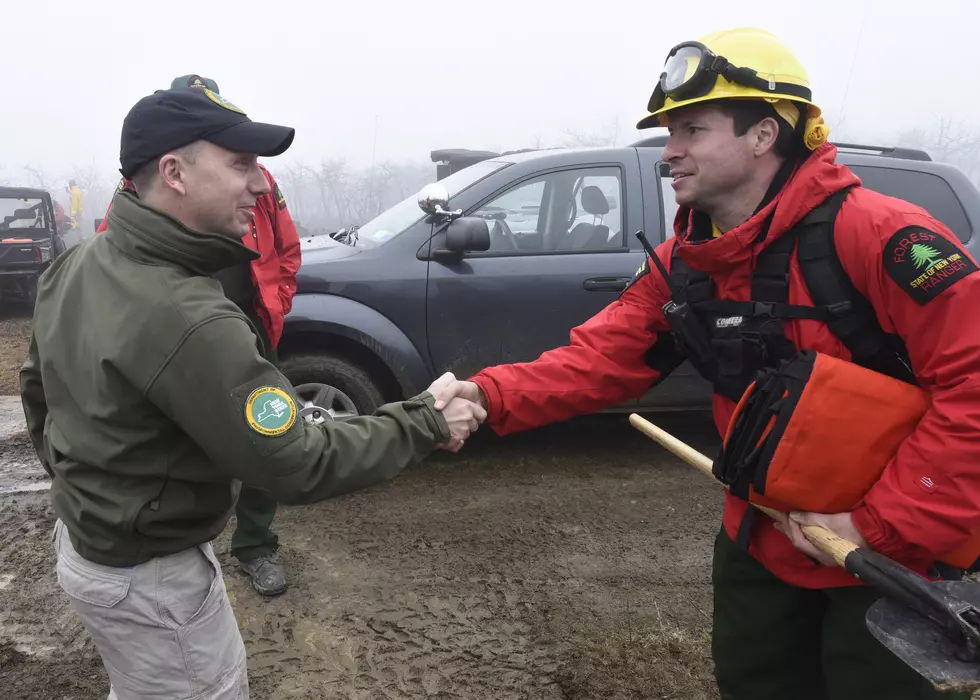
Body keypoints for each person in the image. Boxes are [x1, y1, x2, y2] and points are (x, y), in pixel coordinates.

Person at [433, 27, 980, 700]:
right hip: (758, 544)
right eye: (669, 133)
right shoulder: (684, 267)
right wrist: (485, 395)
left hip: (887, 560)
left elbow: (974, 385)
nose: (670, 152)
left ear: (764, 134)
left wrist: (879, 524)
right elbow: (596, 361)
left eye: (692, 129)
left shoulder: (880, 235)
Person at [20, 85, 484, 699]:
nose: (262, 185)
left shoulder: (79, 263)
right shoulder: (188, 317)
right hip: (150, 575)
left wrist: (92, 487)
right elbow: (294, 461)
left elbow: (37, 392)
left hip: (88, 547)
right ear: (174, 173)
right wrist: (422, 422)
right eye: (240, 164)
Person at [96, 73, 302, 597]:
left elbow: (286, 249)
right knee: (181, 444)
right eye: (235, 161)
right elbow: (111, 269)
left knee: (268, 430)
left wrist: (273, 307)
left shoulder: (259, 181)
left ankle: (255, 544)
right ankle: (185, 545)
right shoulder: (136, 191)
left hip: (249, 328)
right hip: (175, 339)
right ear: (174, 169)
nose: (251, 178)